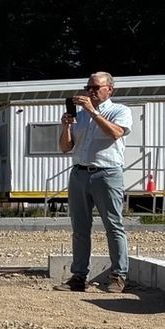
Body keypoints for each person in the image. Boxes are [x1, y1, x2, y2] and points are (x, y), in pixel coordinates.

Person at [60, 71, 133, 294]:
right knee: (80, 228)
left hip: (107, 173)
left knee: (113, 226)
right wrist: (66, 126)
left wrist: (93, 113)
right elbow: (65, 147)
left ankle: (118, 275)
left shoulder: (119, 110)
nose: (89, 92)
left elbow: (116, 133)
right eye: (87, 88)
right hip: (80, 173)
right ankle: (79, 276)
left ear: (109, 89)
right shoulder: (79, 115)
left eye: (95, 88)